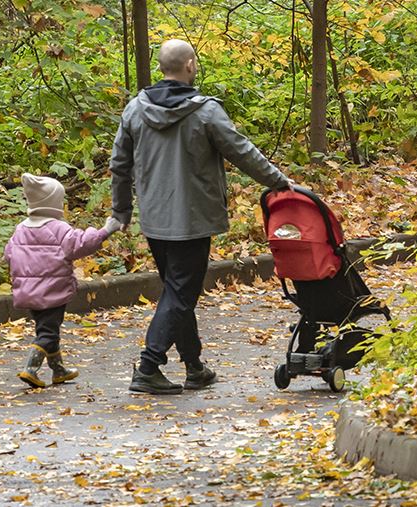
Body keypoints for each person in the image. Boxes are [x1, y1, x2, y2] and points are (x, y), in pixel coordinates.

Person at [109, 39, 293, 395]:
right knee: (180, 294)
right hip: (192, 219)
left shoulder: (135, 109)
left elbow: (119, 163)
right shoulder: (205, 111)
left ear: (162, 67)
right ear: (190, 65)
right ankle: (149, 365)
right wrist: (279, 182)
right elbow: (242, 151)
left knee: (176, 292)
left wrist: (122, 210)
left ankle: (194, 366)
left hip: (155, 219)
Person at [5, 174, 122, 388]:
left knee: (48, 329)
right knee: (48, 332)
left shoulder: (21, 228)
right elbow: (80, 244)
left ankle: (58, 370)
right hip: (52, 292)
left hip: (28, 292)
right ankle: (30, 368)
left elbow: (8, 254)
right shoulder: (57, 228)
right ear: (53, 203)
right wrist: (106, 230)